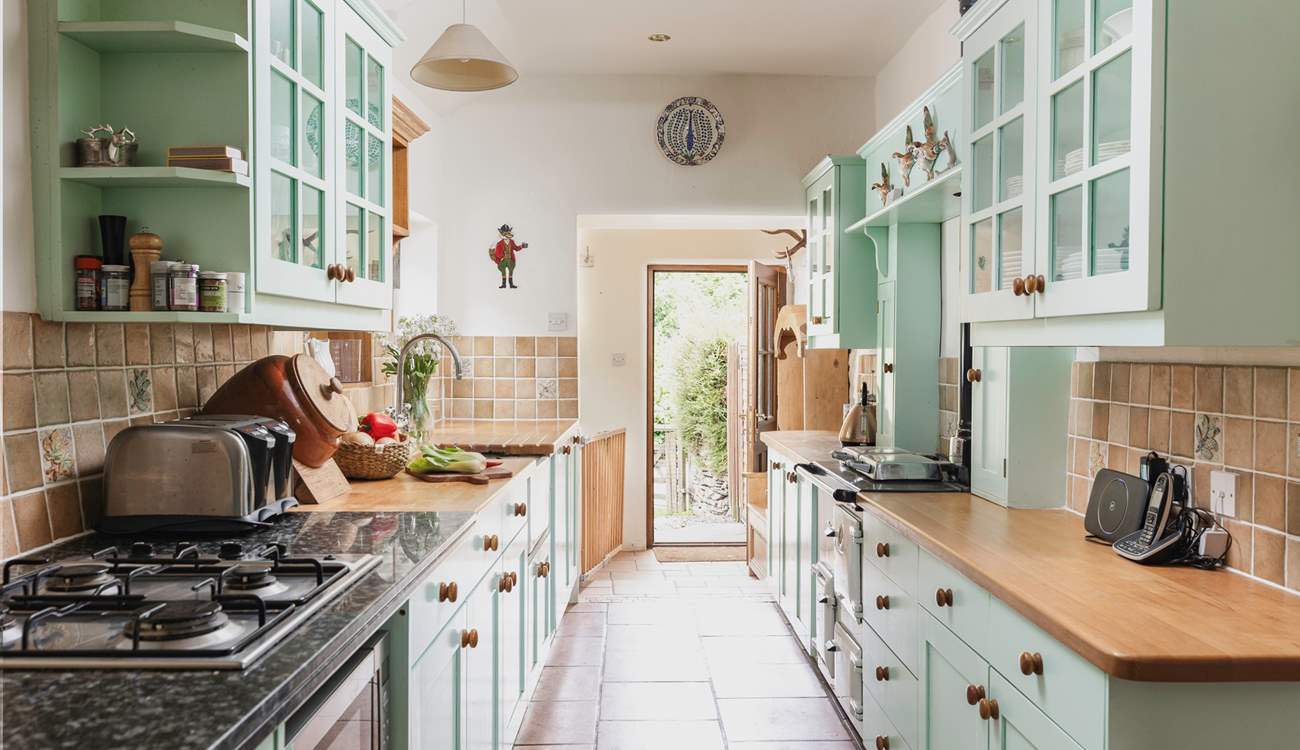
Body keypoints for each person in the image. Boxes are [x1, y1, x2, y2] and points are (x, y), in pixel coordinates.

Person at [489, 224, 527, 289]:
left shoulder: (511, 242)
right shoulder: (500, 243)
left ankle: (511, 284)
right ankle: (504, 284)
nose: (507, 234)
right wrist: (503, 255)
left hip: (510, 259)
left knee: (511, 271)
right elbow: (498, 253)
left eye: (508, 232)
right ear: (502, 233)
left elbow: (516, 248)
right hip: (503, 260)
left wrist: (521, 246)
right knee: (503, 271)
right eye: (505, 233)